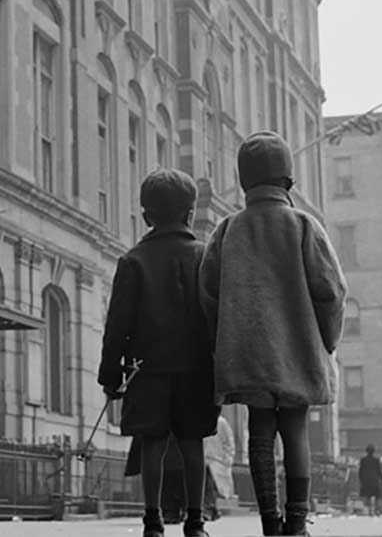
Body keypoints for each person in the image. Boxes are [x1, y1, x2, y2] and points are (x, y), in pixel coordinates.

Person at [199, 132, 347, 537]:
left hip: (246, 353)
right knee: (296, 429)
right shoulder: (303, 225)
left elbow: (208, 294)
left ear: (244, 182)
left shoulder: (228, 230)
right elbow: (332, 291)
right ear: (289, 183)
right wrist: (325, 342)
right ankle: (296, 523)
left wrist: (222, 341)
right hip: (298, 349)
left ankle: (270, 522)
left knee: (259, 430)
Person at [99, 168, 218, 537]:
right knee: (192, 442)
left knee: (152, 442)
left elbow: (116, 325)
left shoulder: (132, 261)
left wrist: (111, 376)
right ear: (190, 213)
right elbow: (217, 315)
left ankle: (153, 521)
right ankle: (195, 522)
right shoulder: (204, 256)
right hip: (197, 370)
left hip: (146, 369)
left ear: (146, 215)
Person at [204, 414, 237, 515]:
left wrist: (228, 458)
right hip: (203, 459)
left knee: (211, 484)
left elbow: (229, 442)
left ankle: (209, 509)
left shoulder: (221, 422)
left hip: (217, 460)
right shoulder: (198, 421)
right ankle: (208, 509)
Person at [358, 445, 382, 516]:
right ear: (373, 451)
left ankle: (370, 511)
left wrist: (361, 479)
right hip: (375, 480)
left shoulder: (363, 460)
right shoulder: (376, 460)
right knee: (377, 496)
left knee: (367, 496)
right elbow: (379, 470)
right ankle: (377, 510)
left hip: (366, 481)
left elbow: (361, 471)